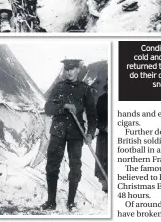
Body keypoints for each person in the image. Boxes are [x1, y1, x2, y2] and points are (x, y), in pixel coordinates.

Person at [40, 59, 97, 211]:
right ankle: (51, 202)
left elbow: (92, 115)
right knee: (52, 166)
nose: (69, 72)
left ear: (78, 69)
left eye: (72, 69)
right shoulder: (58, 87)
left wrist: (90, 133)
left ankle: (70, 202)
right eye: (67, 69)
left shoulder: (85, 89)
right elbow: (48, 108)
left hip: (76, 134)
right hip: (58, 132)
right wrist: (64, 106)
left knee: (75, 167)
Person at [95, 83, 108, 193]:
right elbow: (96, 119)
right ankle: (105, 187)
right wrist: (104, 127)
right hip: (104, 137)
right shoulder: (102, 100)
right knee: (104, 159)